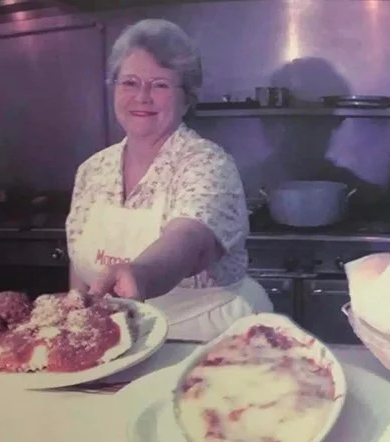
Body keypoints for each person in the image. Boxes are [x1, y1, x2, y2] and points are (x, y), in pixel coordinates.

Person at [65, 19, 273, 342]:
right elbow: (80, 273)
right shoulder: (92, 172)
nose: (142, 97)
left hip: (208, 339)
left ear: (187, 99)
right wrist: (73, 329)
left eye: (160, 85)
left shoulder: (208, 163)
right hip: (114, 344)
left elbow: (189, 241)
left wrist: (141, 275)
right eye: (130, 82)